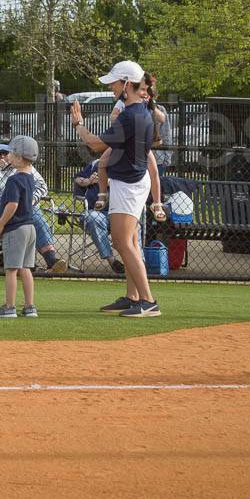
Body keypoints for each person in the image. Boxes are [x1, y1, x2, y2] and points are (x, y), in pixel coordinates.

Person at [70, 59, 161, 317]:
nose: (112, 87)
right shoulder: (139, 111)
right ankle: (134, 297)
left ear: (126, 85)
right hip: (132, 181)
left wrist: (78, 125)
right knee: (129, 241)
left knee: (123, 242)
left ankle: (148, 300)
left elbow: (96, 145)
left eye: (115, 82)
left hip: (129, 185)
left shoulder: (132, 115)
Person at [0, 142, 69, 272]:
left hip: (25, 207)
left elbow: (42, 187)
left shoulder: (25, 167)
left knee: (37, 218)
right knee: (21, 222)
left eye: (6, 153)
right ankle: (25, 264)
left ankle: (51, 259)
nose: (2, 156)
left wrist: (30, 200)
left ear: (12, 154)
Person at [90, 73, 167, 225]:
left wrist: (150, 105)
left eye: (147, 89)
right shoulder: (124, 102)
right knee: (103, 162)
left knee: (153, 171)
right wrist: (119, 117)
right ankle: (103, 194)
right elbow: (113, 117)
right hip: (125, 141)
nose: (144, 92)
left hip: (142, 145)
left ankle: (157, 204)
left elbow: (162, 119)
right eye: (143, 88)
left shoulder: (148, 104)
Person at [0, 135, 40, 318]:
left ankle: (9, 307)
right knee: (25, 268)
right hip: (30, 227)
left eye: (11, 153)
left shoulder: (13, 180)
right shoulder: (30, 178)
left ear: (18, 157)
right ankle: (29, 306)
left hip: (16, 228)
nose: (7, 156)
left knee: (11, 269)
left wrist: (0, 224)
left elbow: (12, 205)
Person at [71, 159, 122, 273]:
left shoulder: (126, 164)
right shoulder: (97, 163)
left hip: (120, 213)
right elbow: (77, 179)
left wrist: (108, 182)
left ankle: (138, 262)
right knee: (93, 218)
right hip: (96, 212)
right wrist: (89, 181)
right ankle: (112, 260)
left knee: (136, 222)